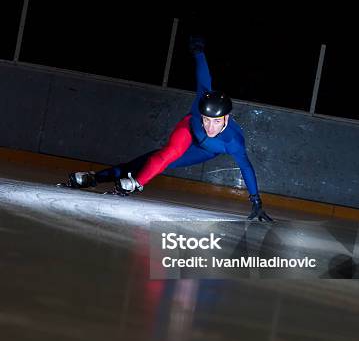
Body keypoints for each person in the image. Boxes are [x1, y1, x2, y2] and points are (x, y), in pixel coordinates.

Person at [63, 36, 273, 222]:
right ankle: (124, 181)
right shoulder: (202, 103)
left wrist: (256, 201)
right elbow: (204, 78)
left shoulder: (233, 141)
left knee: (148, 163)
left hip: (203, 151)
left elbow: (246, 168)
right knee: (165, 155)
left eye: (216, 122)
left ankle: (97, 178)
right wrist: (198, 52)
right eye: (207, 120)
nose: (210, 126)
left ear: (226, 118)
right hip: (188, 129)